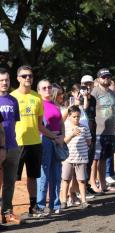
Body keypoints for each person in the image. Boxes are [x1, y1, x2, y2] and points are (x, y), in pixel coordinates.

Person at [11, 65, 58, 217]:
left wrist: (53, 136)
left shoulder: (37, 97)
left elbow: (39, 125)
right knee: (12, 179)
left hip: (35, 143)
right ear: (18, 78)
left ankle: (33, 207)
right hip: (16, 144)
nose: (28, 78)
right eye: (24, 76)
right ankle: (8, 208)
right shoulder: (12, 98)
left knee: (33, 177)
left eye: (30, 75)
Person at [36, 79, 65, 215]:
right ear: (39, 91)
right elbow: (39, 127)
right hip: (45, 141)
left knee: (56, 174)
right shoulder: (38, 104)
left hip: (57, 141)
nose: (47, 90)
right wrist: (54, 137)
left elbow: (61, 123)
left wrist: (62, 137)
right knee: (44, 175)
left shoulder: (55, 104)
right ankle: (41, 205)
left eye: (49, 87)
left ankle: (55, 204)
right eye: (44, 88)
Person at [91, 68, 115, 191]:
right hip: (98, 131)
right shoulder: (94, 92)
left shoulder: (112, 93)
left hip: (110, 131)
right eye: (103, 77)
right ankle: (92, 183)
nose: (106, 79)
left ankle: (103, 184)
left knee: (104, 159)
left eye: (108, 77)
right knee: (95, 159)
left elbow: (113, 110)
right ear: (98, 79)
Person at [0, 68, 21, 224]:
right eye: (1, 80)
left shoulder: (13, 100)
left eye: (6, 80)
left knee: (10, 182)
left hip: (12, 146)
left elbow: (13, 124)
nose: (4, 83)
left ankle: (7, 212)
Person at [61, 105, 92, 209]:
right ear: (69, 116)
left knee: (82, 180)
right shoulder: (65, 127)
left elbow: (89, 141)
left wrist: (85, 146)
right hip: (68, 158)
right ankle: (64, 201)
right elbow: (63, 141)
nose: (76, 118)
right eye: (74, 116)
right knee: (66, 179)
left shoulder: (84, 127)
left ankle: (84, 200)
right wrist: (72, 135)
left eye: (78, 116)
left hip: (81, 158)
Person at [80, 75, 97, 194]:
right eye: (85, 84)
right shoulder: (79, 98)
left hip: (92, 133)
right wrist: (84, 97)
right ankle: (80, 189)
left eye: (90, 84)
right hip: (82, 135)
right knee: (82, 163)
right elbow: (83, 111)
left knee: (89, 161)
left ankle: (87, 185)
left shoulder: (94, 99)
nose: (87, 86)